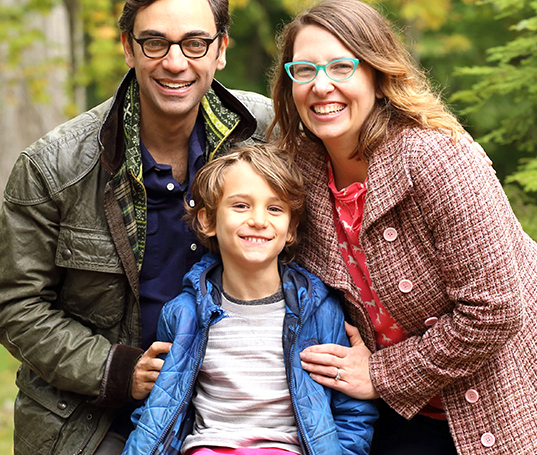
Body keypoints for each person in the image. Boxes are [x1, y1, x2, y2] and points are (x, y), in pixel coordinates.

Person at [269, 0, 537, 455]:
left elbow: (494, 311)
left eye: (341, 67)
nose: (321, 86)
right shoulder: (298, 173)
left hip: (511, 390)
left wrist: (382, 374)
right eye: (304, 71)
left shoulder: (437, 157)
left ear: (376, 74)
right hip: (400, 406)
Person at [0, 0, 273, 455]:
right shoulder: (54, 166)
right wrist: (117, 370)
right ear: (128, 48)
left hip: (240, 407)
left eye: (195, 43)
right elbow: (15, 303)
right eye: (155, 43)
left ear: (221, 50)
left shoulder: (264, 134)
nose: (175, 62)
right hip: (95, 420)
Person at [122, 144, 377, 455]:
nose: (258, 220)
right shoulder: (183, 313)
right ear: (207, 221)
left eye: (274, 209)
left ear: (292, 228)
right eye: (241, 206)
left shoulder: (320, 312)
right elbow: (158, 409)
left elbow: (352, 412)